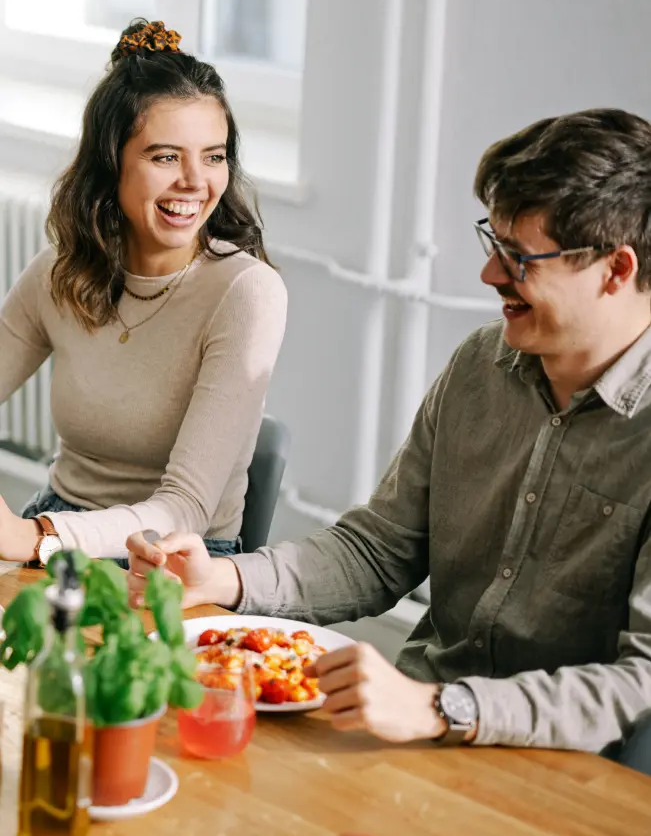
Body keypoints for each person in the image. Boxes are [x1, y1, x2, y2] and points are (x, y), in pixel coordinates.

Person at [127, 108, 651, 774]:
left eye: (517, 257)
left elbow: (640, 681)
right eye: (492, 241)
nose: (489, 274)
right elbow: (377, 552)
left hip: (562, 774)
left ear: (614, 268)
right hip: (415, 740)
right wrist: (223, 577)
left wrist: (439, 708)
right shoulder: (477, 367)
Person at [0, 19, 287, 567]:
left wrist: (35, 536)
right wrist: (40, 536)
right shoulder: (62, 271)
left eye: (214, 155)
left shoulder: (248, 292)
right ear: (111, 164)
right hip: (58, 531)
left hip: (173, 561)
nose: (194, 181)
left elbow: (185, 510)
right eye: (164, 156)